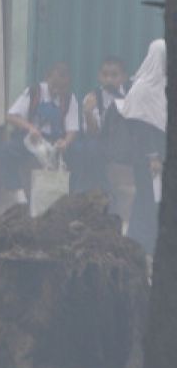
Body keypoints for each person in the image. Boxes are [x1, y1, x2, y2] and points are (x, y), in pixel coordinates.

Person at [0, 62, 80, 206]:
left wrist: (65, 142)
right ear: (47, 78)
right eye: (54, 85)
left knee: (79, 153)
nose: (57, 90)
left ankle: (70, 198)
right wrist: (30, 128)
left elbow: (72, 129)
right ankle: (17, 192)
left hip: (55, 140)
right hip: (32, 138)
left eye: (62, 87)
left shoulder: (69, 98)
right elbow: (11, 116)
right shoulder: (34, 91)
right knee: (6, 151)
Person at [119, 40, 166, 254]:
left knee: (147, 200)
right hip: (146, 157)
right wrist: (153, 156)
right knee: (148, 200)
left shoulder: (162, 85)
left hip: (160, 154)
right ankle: (142, 246)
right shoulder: (143, 88)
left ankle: (136, 244)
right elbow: (140, 128)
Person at [68, 57, 130, 195]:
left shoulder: (131, 96)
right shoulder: (92, 98)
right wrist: (88, 113)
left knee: (90, 149)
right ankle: (93, 190)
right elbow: (93, 134)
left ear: (124, 77)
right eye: (105, 75)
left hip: (125, 145)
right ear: (99, 76)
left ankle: (86, 191)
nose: (109, 79)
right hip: (103, 144)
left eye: (114, 75)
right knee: (85, 148)